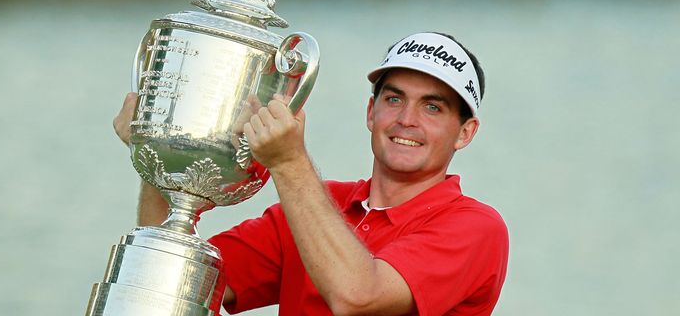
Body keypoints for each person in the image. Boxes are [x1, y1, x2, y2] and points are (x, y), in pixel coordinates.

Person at [113, 32, 509, 315]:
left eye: (433, 107)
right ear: (371, 113)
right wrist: (158, 151)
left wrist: (288, 162)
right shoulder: (321, 205)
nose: (407, 120)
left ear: (465, 133)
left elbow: (358, 297)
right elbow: (173, 281)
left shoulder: (475, 227)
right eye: (394, 99)